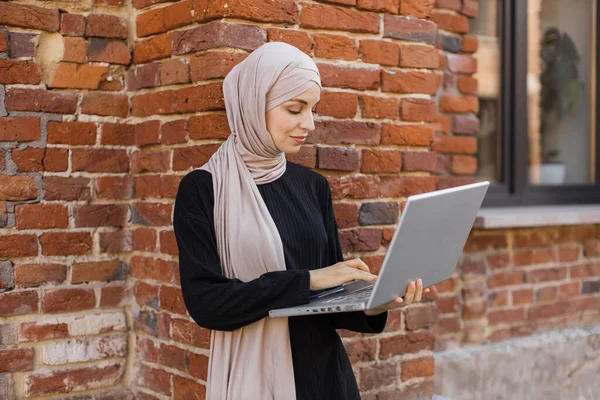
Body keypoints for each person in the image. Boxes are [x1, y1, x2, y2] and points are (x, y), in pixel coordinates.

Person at [173, 42, 431, 400]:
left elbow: (329, 299)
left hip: (323, 377)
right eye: (295, 108)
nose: (308, 123)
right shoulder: (203, 190)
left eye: (312, 109)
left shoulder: (312, 186)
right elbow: (207, 303)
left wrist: (375, 303)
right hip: (255, 379)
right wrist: (308, 280)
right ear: (252, 104)